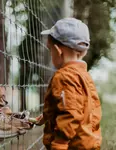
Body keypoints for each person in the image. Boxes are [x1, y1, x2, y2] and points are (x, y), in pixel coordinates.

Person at [29, 18, 102, 150]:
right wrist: (46, 116)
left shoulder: (64, 77)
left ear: (58, 50)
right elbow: (90, 109)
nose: (51, 54)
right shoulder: (85, 76)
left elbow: (70, 113)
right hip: (87, 141)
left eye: (50, 50)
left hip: (71, 145)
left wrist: (60, 144)